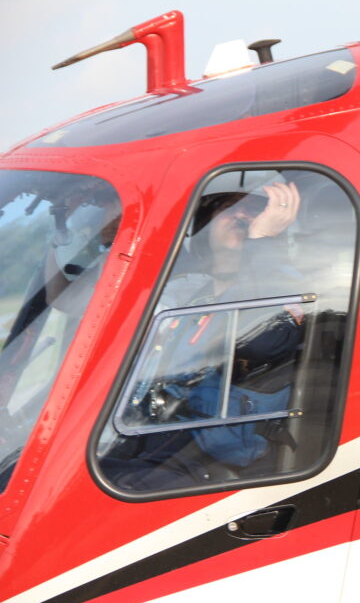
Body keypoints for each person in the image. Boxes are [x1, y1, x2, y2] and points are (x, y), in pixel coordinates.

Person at [99, 180, 305, 491]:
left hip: (214, 460)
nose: (242, 216)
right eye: (229, 208)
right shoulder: (190, 294)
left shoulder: (284, 281)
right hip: (156, 439)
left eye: (254, 209)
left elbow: (268, 342)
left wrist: (263, 240)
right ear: (203, 226)